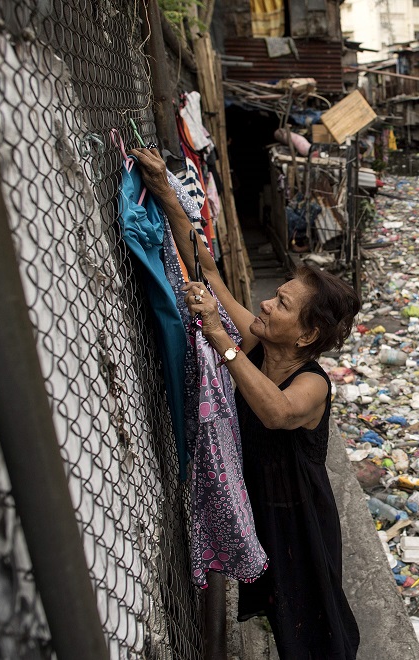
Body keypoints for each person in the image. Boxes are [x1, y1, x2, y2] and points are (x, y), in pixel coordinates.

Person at [130, 147, 362, 659]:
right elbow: (208, 270)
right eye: (275, 294)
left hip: (299, 523)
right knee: (280, 618)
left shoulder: (313, 385)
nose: (264, 303)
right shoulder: (256, 344)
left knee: (314, 631)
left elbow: (276, 412)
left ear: (307, 336)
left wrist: (220, 336)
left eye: (281, 304)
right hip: (257, 509)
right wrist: (168, 194)